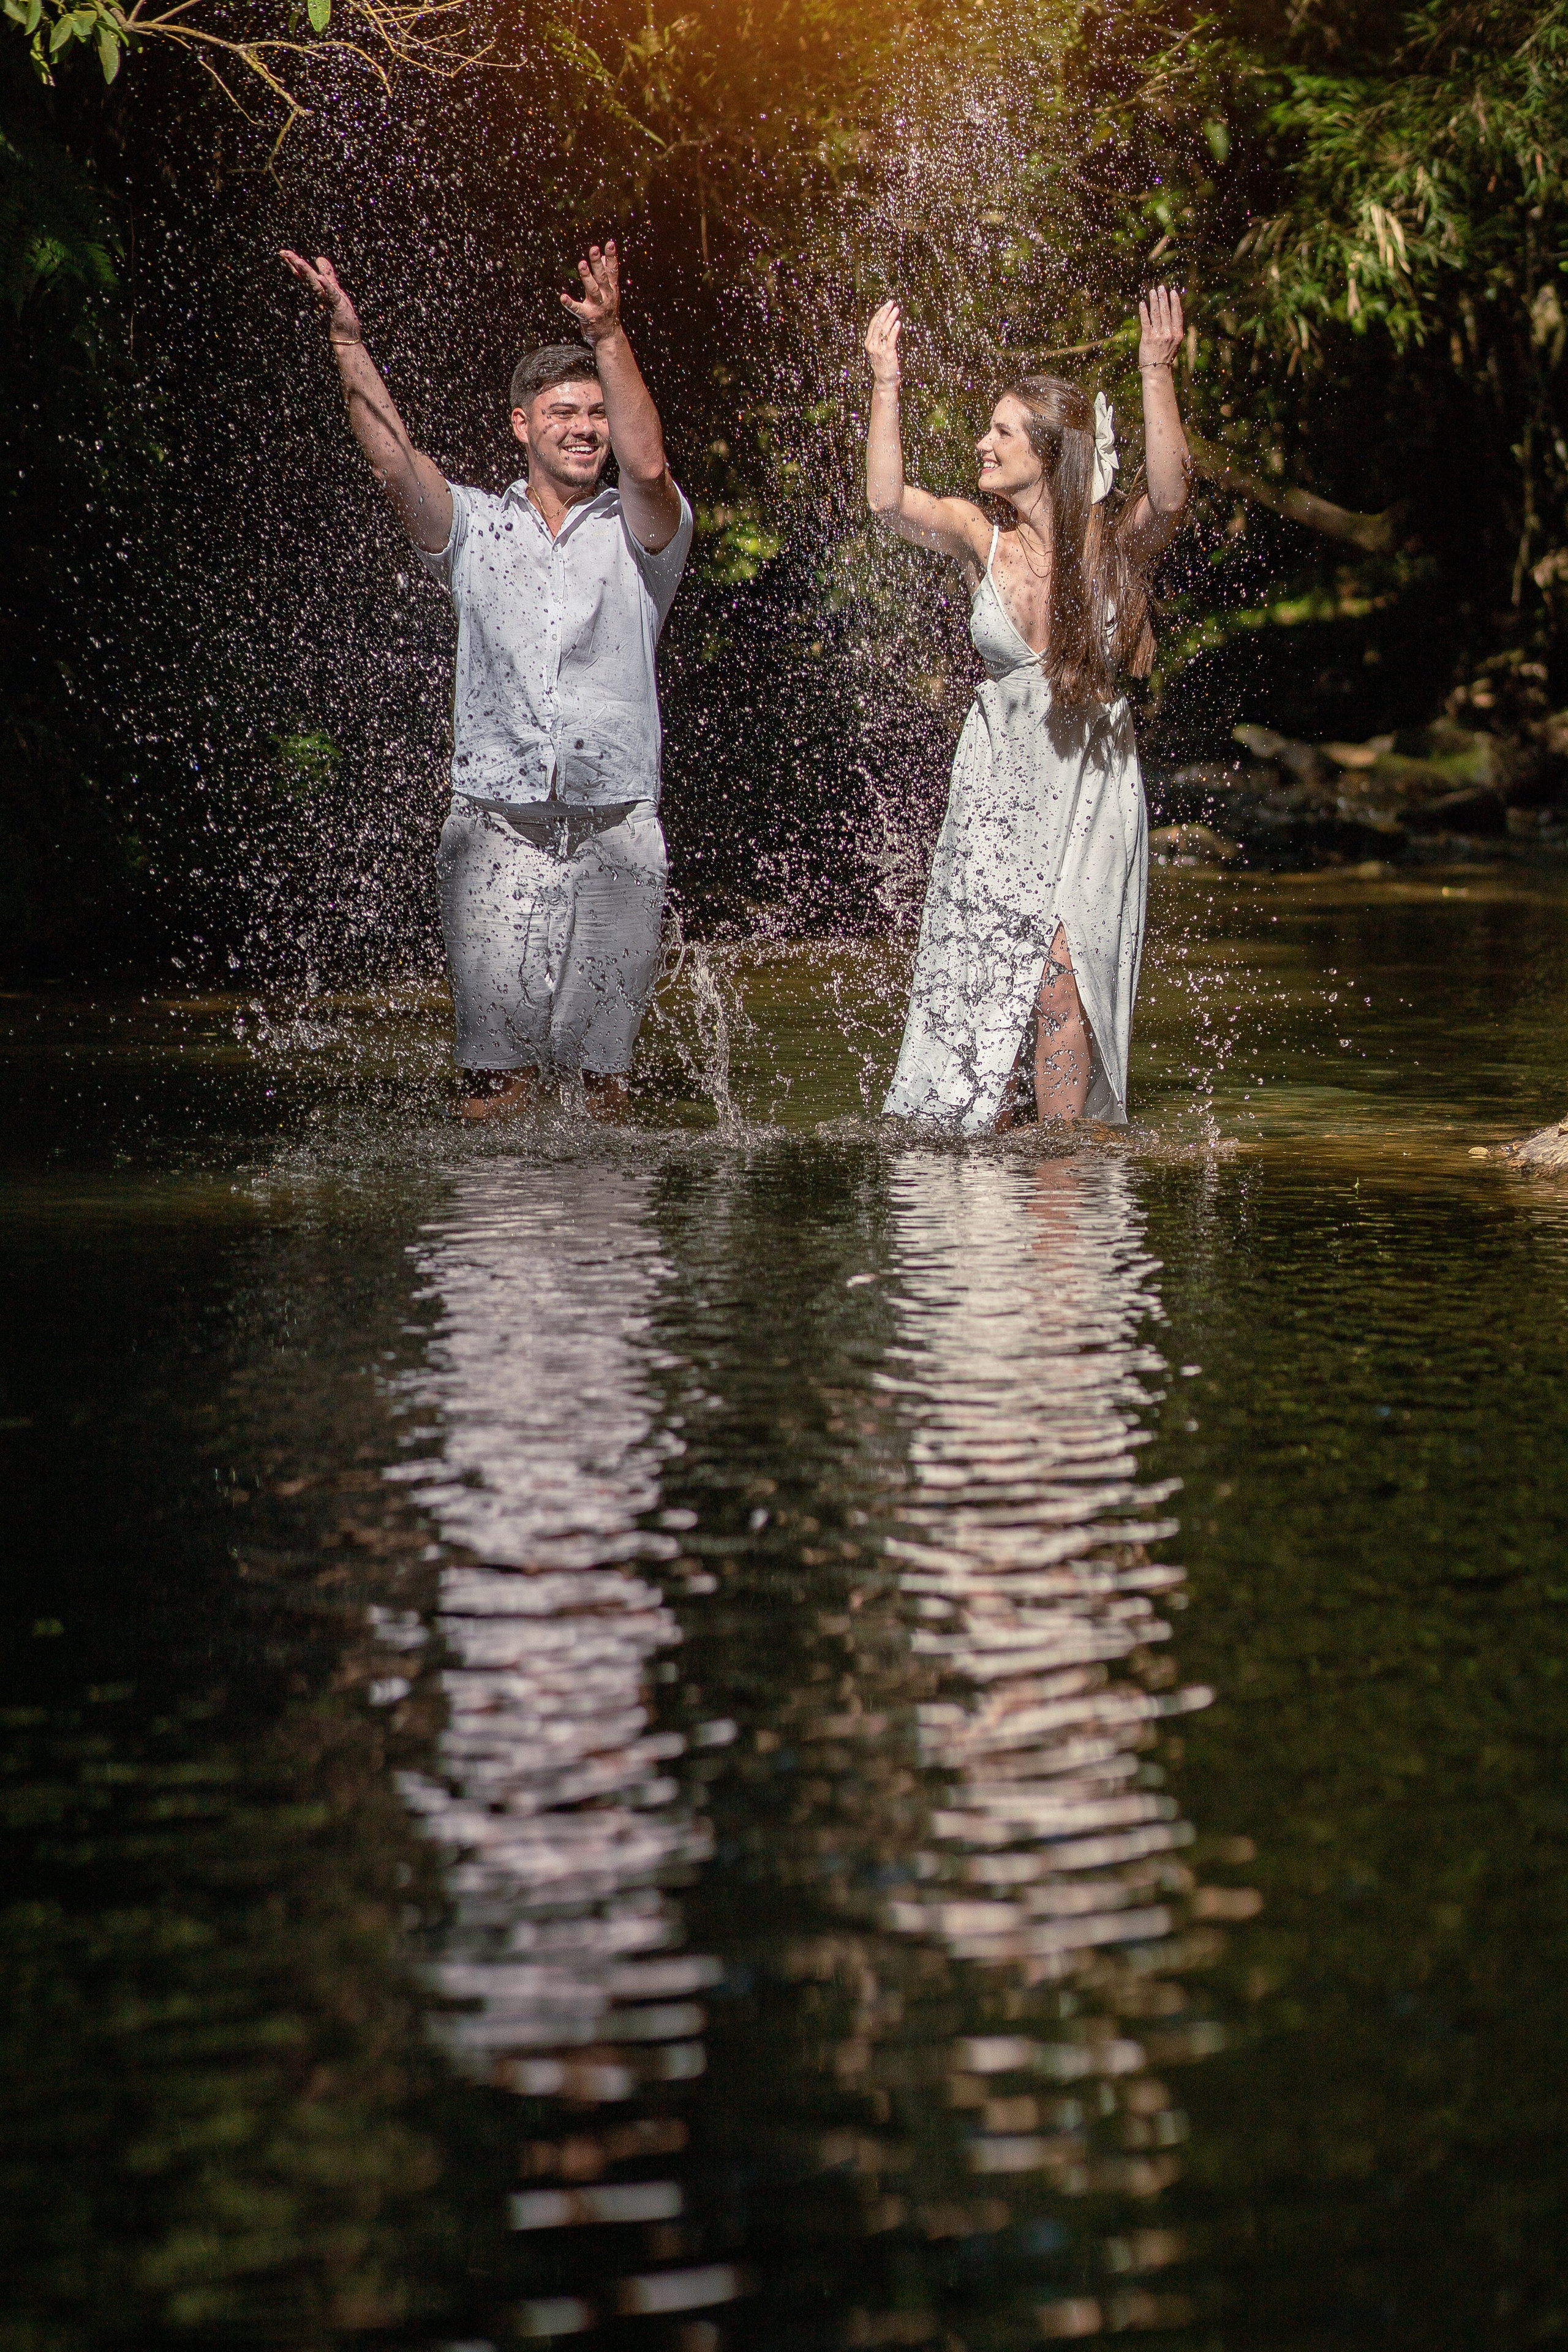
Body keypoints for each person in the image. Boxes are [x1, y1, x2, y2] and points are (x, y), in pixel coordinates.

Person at [280, 238, 693, 1120]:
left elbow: (648, 465)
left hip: (616, 828)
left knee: (601, 1083)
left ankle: (605, 1254)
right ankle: (491, 1247)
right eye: (562, 413)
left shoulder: (647, 531)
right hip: (493, 829)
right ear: (521, 425)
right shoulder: (471, 526)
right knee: (493, 1082)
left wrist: (612, 336)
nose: (584, 428)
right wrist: (347, 341)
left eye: (595, 414)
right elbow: (394, 464)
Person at [863, 287, 1192, 1133]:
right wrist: (885, 383)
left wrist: (1157, 371)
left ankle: (1063, 1170)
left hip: (1094, 789)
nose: (982, 442)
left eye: (1003, 430)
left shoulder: (1117, 549)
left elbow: (1172, 489)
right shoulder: (982, 535)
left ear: (1052, 451)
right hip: (1000, 790)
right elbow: (888, 501)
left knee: (1063, 975)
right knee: (997, 985)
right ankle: (1003, 1178)